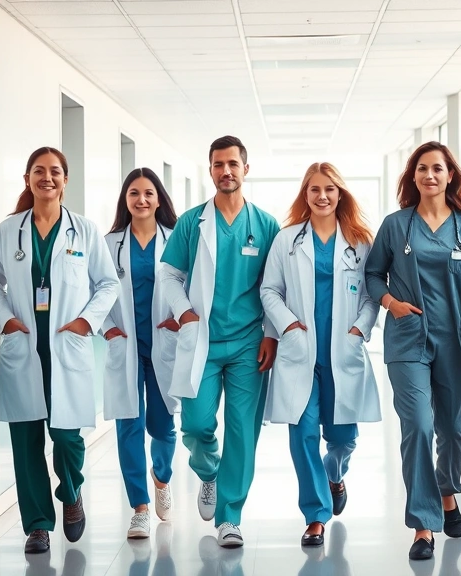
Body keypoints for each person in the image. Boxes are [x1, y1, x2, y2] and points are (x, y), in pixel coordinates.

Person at [0, 147, 120, 554]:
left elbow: (108, 284)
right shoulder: (10, 231)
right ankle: (38, 525)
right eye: (39, 171)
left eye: (55, 172)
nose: (47, 178)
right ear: (27, 179)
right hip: (24, 346)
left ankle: (72, 492)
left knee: (66, 438)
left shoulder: (85, 231)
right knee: (25, 442)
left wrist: (86, 322)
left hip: (65, 346)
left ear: (65, 180)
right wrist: (6, 319)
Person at [365, 141, 461, 560]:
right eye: (422, 169)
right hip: (406, 340)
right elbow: (372, 274)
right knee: (417, 425)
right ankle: (423, 525)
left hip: (456, 341)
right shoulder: (396, 225)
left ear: (450, 175)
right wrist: (390, 304)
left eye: (438, 168)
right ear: (413, 176)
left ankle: (446, 490)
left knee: (454, 430)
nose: (430, 175)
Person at [160, 135, 280, 548]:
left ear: (246, 169)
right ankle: (209, 471)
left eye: (233, 163)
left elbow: (276, 286)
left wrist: (270, 334)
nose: (226, 171)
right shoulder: (191, 222)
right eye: (218, 164)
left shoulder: (265, 225)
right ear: (210, 170)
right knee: (195, 425)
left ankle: (231, 517)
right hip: (203, 343)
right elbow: (169, 275)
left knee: (243, 431)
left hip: (249, 343)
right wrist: (185, 311)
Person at [260, 162, 381, 547]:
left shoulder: (360, 241)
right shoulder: (287, 240)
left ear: (340, 193)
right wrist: (289, 326)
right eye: (314, 189)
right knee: (303, 430)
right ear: (305, 195)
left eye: (330, 189)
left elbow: (371, 294)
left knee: (343, 437)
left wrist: (360, 328)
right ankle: (315, 515)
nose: (323, 196)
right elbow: (269, 291)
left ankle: (335, 470)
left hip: (342, 350)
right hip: (301, 354)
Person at [102, 167, 181, 539]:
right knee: (128, 426)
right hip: (127, 344)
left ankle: (161, 479)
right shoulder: (110, 243)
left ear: (159, 199)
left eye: (149, 193)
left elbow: (194, 284)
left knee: (162, 428)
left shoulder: (176, 239)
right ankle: (140, 507)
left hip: (164, 342)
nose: (142, 200)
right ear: (125, 200)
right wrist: (107, 328)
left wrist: (182, 318)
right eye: (134, 193)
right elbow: (94, 291)